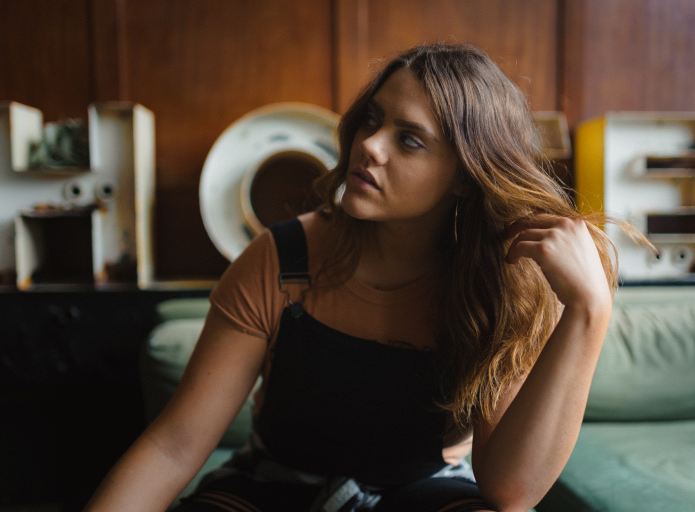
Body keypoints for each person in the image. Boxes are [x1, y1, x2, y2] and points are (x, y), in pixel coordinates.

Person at [86, 43, 621, 512]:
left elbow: (512, 492)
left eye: (409, 140)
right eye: (373, 119)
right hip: (273, 485)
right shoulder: (281, 258)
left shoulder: (497, 283)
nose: (370, 145)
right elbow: (174, 446)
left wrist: (588, 312)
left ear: (464, 176)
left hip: (425, 490)